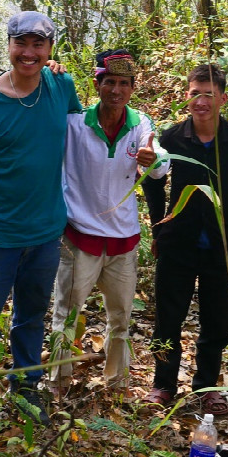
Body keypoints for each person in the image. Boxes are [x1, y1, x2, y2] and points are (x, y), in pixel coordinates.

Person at [0, 11, 82, 425]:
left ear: (50, 49)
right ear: (8, 46)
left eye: (38, 45)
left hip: (45, 232)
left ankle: (27, 394)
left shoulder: (61, 85)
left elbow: (84, 134)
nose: (29, 53)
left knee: (31, 316)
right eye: (21, 44)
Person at [143, 63, 228, 416]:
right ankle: (163, 384)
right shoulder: (172, 138)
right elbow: (154, 181)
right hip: (178, 242)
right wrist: (159, 227)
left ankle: (206, 387)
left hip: (223, 244)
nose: (201, 101)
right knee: (167, 318)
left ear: (222, 98)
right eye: (194, 94)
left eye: (208, 94)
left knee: (217, 320)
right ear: (186, 97)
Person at [49, 49, 169, 399]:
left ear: (132, 88)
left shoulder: (140, 124)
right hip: (79, 238)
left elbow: (160, 163)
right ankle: (58, 383)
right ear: (97, 84)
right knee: (65, 316)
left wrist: (154, 160)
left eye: (123, 83)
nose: (116, 90)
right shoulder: (76, 123)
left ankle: (117, 384)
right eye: (109, 82)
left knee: (121, 320)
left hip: (123, 243)